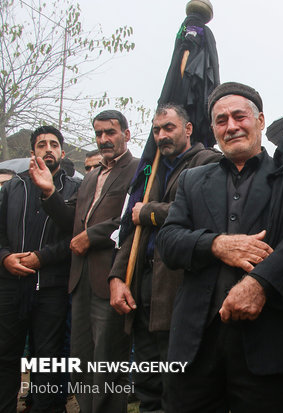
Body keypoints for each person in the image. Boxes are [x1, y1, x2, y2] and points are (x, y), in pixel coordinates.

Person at [156, 82, 283, 412]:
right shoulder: (193, 180)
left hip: (271, 342)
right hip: (195, 345)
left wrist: (261, 283)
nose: (231, 126)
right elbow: (168, 242)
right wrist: (216, 244)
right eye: (221, 120)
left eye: (239, 116)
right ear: (213, 130)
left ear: (260, 120)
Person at [108, 103, 221, 412]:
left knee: (179, 387)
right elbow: (131, 229)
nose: (161, 136)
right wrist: (117, 277)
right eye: (156, 130)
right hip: (142, 290)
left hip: (179, 290)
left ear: (188, 129)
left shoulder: (208, 162)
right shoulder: (153, 169)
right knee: (149, 386)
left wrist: (149, 211)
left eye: (169, 128)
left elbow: (202, 213)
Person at [35, 110, 140, 413]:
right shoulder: (92, 176)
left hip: (112, 278)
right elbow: (71, 221)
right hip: (79, 280)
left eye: (110, 132)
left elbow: (131, 219)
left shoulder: (138, 170)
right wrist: (49, 192)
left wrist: (91, 236)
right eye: (98, 134)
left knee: (108, 363)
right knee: (81, 362)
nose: (104, 139)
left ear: (126, 134)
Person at [0, 126, 80, 413]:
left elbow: (74, 236)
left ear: (61, 151)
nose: (48, 148)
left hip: (51, 288)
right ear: (32, 151)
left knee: (47, 359)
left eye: (54, 144)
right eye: (41, 144)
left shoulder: (74, 189)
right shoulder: (13, 187)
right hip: (10, 285)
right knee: (6, 355)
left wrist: (41, 258)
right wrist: (5, 257)